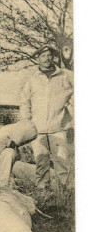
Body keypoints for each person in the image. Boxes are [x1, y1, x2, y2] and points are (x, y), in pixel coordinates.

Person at [19, 45, 74, 189]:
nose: (46, 59)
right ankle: (43, 190)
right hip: (38, 129)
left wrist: (71, 116)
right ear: (37, 59)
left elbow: (74, 96)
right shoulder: (32, 79)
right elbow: (25, 102)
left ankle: (66, 191)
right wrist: (27, 122)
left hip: (58, 127)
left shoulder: (64, 77)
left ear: (53, 57)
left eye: (49, 55)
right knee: (41, 161)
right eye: (43, 56)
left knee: (62, 161)